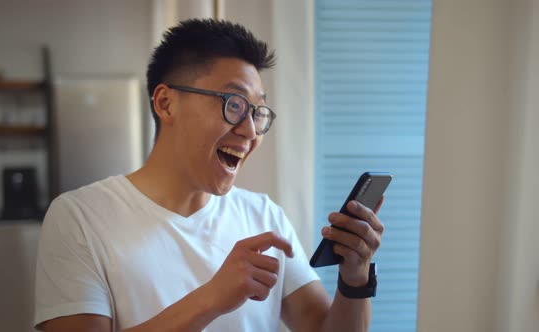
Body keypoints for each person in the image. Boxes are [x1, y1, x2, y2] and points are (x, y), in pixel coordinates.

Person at [34, 18, 384, 332]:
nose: (250, 131)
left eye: (258, 111)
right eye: (234, 105)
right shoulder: (80, 218)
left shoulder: (264, 217)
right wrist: (209, 299)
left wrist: (354, 279)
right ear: (166, 103)